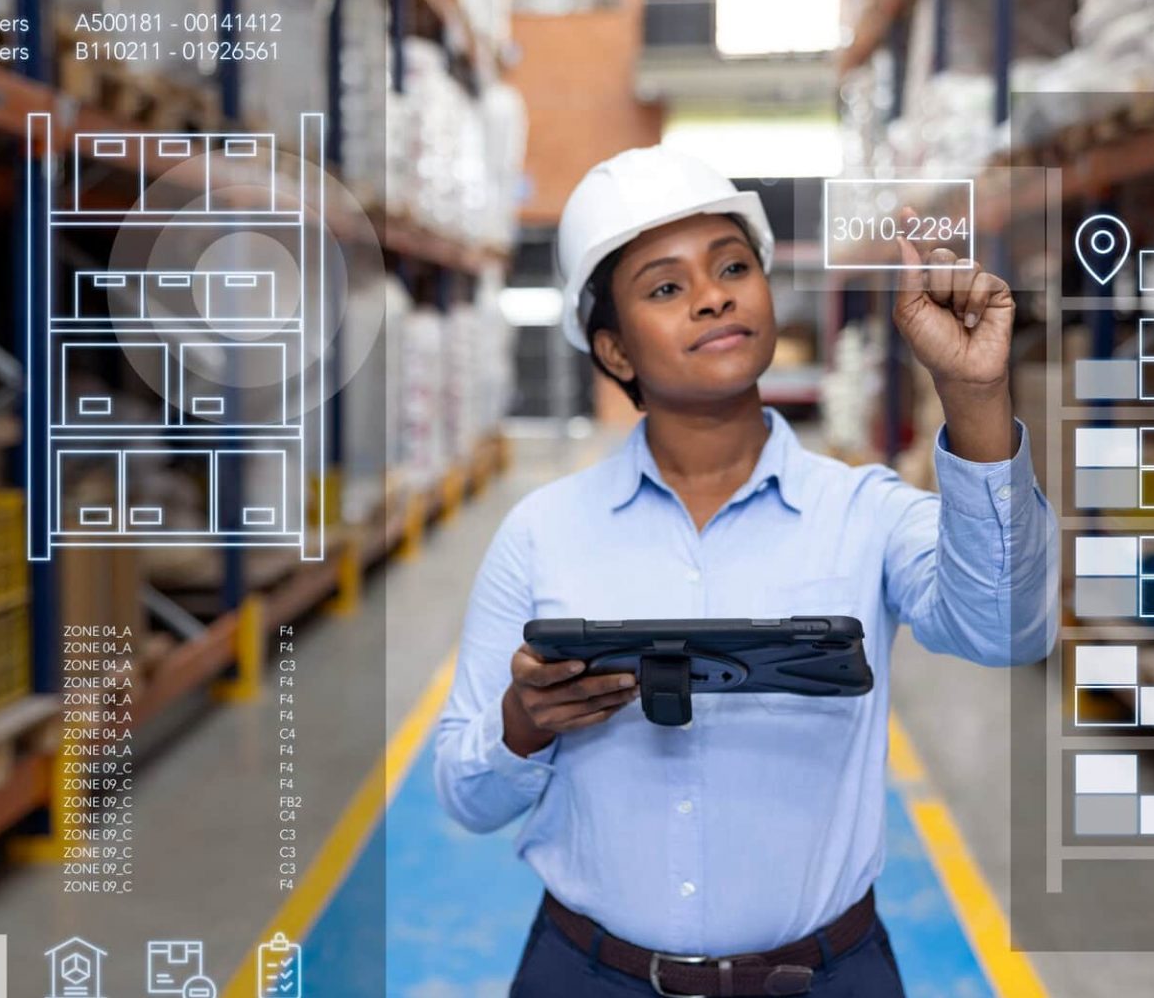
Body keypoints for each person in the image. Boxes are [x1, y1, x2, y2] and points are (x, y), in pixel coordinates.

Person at [432, 147, 1058, 997]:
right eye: (666, 287)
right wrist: (523, 722)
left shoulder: (863, 513)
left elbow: (1010, 630)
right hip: (589, 977)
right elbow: (467, 794)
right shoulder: (543, 534)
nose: (713, 296)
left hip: (825, 978)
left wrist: (974, 396)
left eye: (732, 267)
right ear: (614, 350)